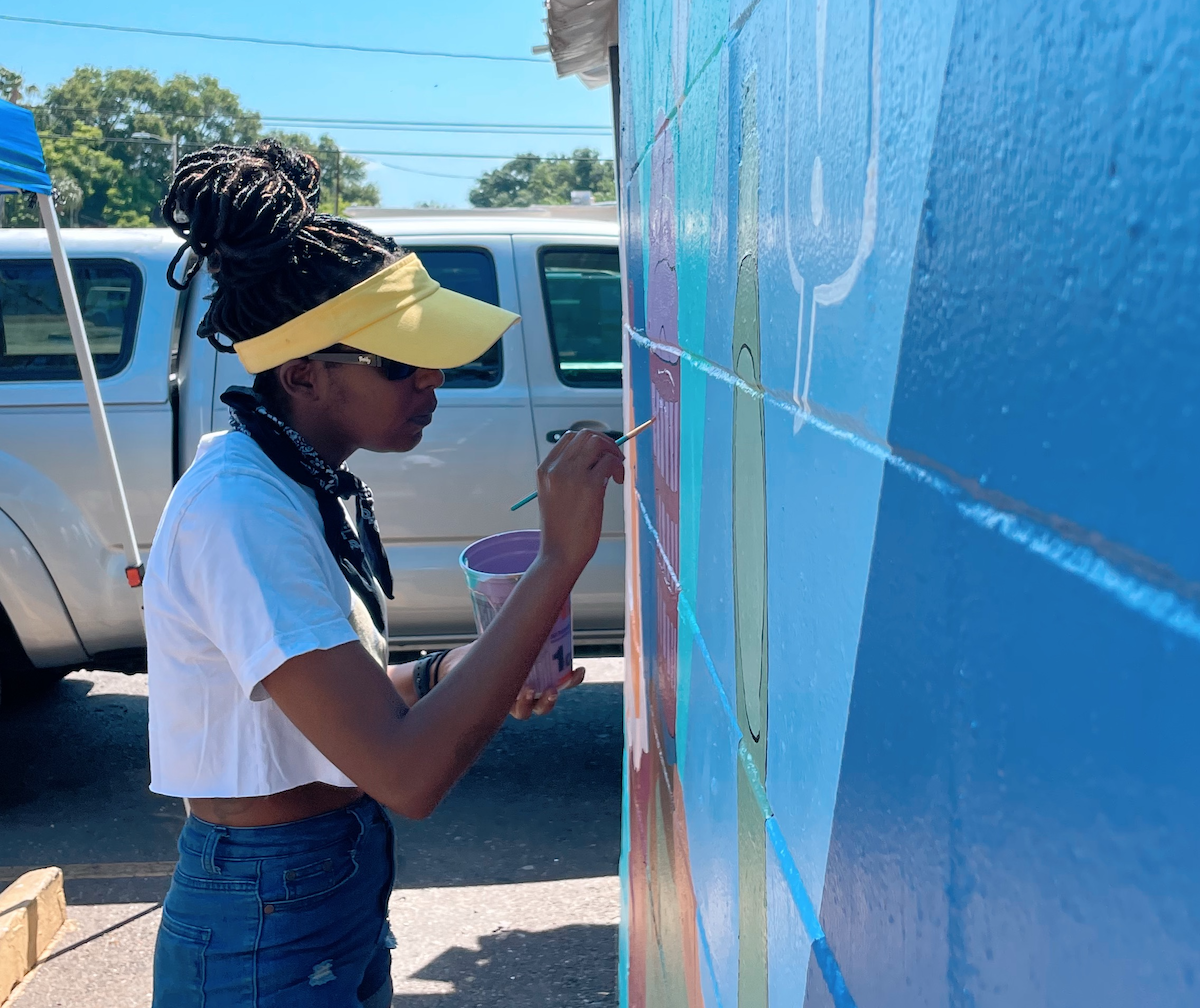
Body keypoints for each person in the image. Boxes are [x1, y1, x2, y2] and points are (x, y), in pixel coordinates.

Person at [143, 140, 624, 1007]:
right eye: (401, 363)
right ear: (302, 375)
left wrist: (452, 674)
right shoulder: (242, 509)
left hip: (319, 884)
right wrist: (560, 560)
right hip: (268, 909)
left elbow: (344, 704)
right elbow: (405, 775)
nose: (433, 380)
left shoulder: (290, 482)